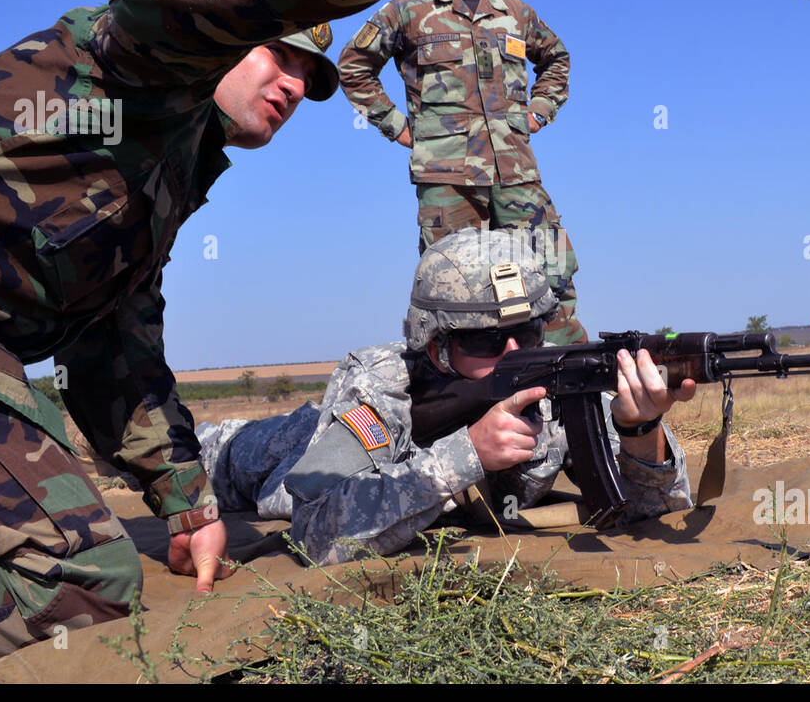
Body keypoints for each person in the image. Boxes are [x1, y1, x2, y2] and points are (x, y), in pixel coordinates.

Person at [0, 0, 588, 670]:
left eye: (311, 83)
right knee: (79, 572)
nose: (293, 87)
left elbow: (114, 350)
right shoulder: (130, 69)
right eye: (278, 57)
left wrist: (183, 501)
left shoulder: (169, 177)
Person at [198, 228, 694, 567]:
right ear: (435, 345)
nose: (514, 352)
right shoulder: (380, 387)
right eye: (484, 340)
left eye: (528, 330)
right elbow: (314, 534)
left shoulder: (559, 381)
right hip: (284, 450)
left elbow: (662, 505)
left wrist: (639, 432)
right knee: (218, 454)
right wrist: (468, 455)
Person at [337, 0, 586, 346]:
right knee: (455, 285)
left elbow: (557, 58)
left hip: (516, 170)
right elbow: (353, 66)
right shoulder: (408, 9)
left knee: (551, 268)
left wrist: (538, 112)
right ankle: (464, 390)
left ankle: (565, 375)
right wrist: (395, 126)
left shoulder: (514, 12)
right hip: (446, 176)